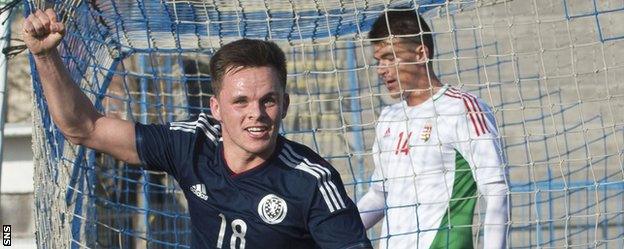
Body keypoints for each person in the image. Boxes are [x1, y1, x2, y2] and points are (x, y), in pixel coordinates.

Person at [23, 9, 372, 249]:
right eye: (240, 102)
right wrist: (44, 56)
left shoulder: (312, 181)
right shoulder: (192, 144)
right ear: (216, 108)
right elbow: (84, 128)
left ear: (285, 105)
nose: (257, 114)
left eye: (268, 100)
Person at [356, 8, 509, 249]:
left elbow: (496, 190)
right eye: (378, 61)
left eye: (390, 57)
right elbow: (379, 195)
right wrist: (328, 235)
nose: (381, 70)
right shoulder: (389, 117)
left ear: (420, 54)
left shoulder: (462, 108)